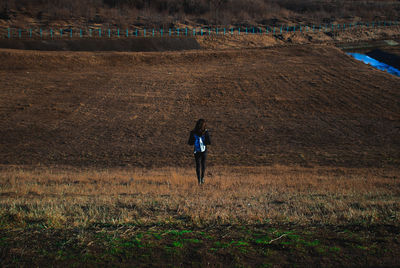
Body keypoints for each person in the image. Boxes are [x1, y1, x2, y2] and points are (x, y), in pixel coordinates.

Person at [188, 119, 211, 184]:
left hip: (196, 150)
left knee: (198, 165)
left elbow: (190, 143)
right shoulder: (206, 132)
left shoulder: (193, 132)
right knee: (203, 164)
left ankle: (199, 180)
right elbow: (209, 142)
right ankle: (202, 178)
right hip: (204, 150)